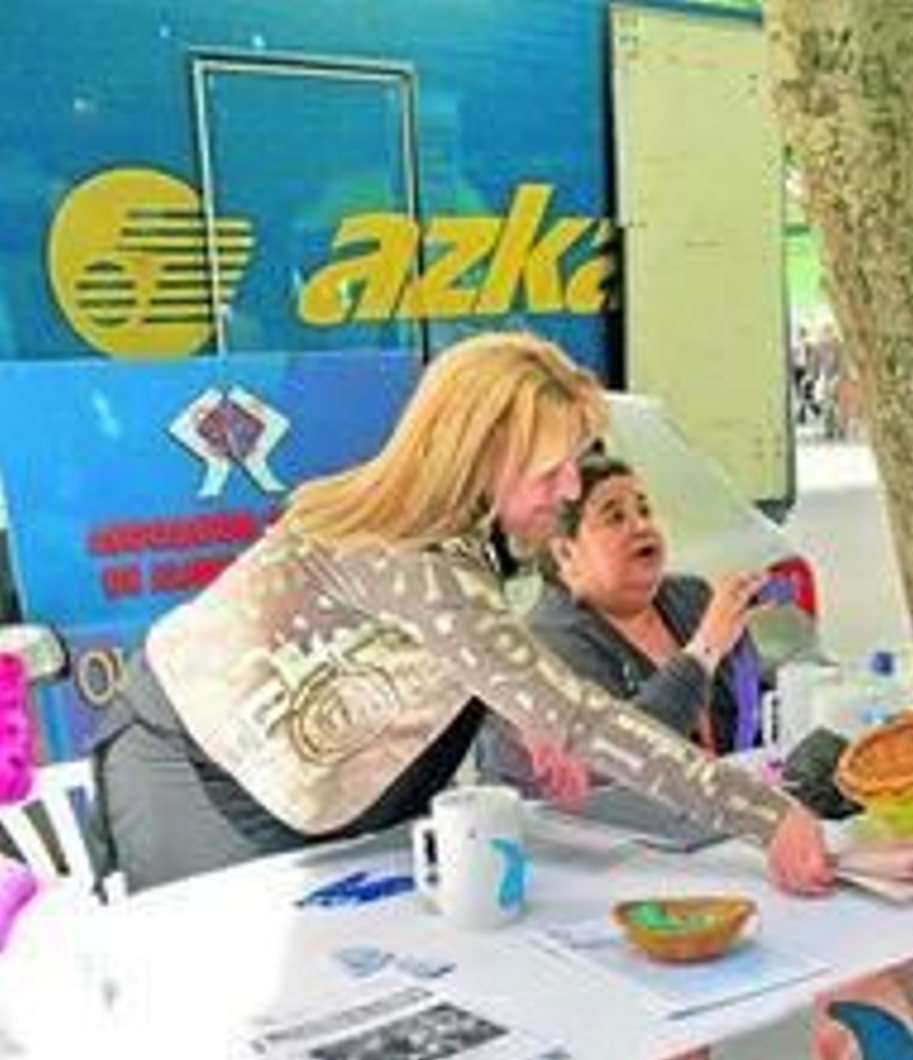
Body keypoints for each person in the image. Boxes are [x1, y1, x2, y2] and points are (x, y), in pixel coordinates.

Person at [91, 332, 833, 897]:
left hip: (305, 771)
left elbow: (459, 652)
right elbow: (582, 716)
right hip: (195, 775)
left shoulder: (458, 534)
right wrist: (765, 817)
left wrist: (520, 707)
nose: (568, 489)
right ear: (481, 456)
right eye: (552, 470)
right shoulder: (414, 557)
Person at [476, 455, 766, 793]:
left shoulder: (693, 598)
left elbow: (754, 705)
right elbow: (622, 755)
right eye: (615, 517)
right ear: (566, 553)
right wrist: (706, 648)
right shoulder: (544, 645)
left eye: (644, 510)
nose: (642, 526)